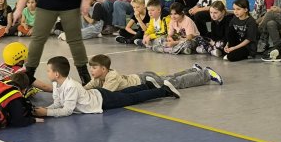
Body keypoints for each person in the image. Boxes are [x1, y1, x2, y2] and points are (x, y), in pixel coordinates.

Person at [31, 56, 180, 118]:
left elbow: (67, 110)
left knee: (132, 98)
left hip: (103, 100)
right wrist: (46, 109)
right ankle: (147, 85)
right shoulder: (57, 84)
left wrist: (47, 113)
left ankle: (164, 91)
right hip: (99, 94)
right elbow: (58, 103)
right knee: (126, 94)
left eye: (48, 71)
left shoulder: (70, 86)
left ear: (57, 74)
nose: (47, 73)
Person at [84, 54, 223, 91]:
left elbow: (105, 93)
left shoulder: (111, 77)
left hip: (146, 80)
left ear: (104, 69)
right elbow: (89, 86)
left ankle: (206, 74)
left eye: (94, 68)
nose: (91, 70)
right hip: (143, 76)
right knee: (171, 77)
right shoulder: (98, 77)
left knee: (176, 82)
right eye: (91, 68)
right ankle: (194, 70)